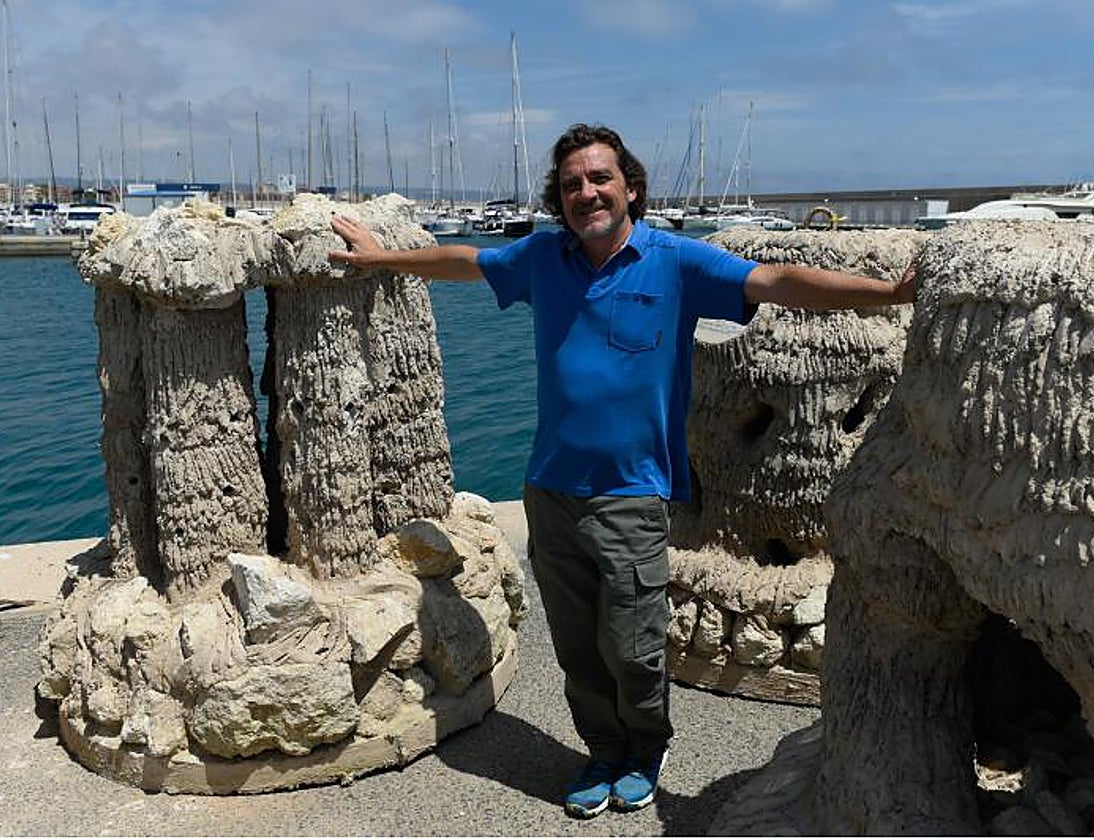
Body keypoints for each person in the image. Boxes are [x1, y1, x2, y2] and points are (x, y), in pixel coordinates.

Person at [330, 123, 916, 819]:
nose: (586, 192)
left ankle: (645, 748)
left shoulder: (674, 261)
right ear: (559, 198)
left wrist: (887, 293)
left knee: (634, 647)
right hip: (550, 489)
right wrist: (381, 257)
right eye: (572, 183)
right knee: (579, 647)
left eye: (600, 178)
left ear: (631, 187)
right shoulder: (543, 257)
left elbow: (776, 281)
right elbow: (466, 261)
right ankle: (603, 751)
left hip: (633, 492)